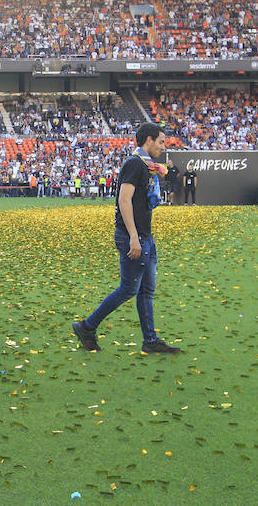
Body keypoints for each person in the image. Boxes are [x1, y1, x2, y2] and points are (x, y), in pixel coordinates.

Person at [72, 123, 180, 354]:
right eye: (161, 142)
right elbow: (124, 200)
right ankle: (86, 326)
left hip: (144, 235)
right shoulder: (135, 164)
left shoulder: (146, 165)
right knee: (129, 289)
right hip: (134, 236)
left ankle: (150, 340)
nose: (163, 147)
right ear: (148, 140)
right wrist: (133, 237)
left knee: (146, 290)